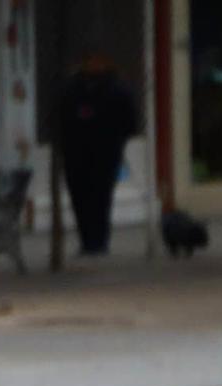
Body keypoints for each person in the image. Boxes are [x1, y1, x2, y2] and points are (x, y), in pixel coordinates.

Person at [56, 55, 137, 256]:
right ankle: (87, 240)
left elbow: (129, 121)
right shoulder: (71, 87)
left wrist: (116, 139)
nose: (93, 64)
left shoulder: (116, 88)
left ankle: (99, 241)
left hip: (105, 150)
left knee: (101, 196)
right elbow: (59, 116)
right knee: (80, 196)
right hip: (75, 150)